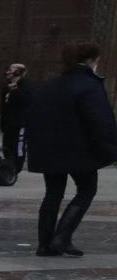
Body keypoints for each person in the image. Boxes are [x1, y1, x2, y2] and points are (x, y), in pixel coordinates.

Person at [26, 43, 117, 257]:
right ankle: (61, 237)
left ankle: (44, 244)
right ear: (91, 60)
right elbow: (100, 120)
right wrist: (109, 147)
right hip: (79, 150)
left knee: (53, 193)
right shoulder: (89, 85)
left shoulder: (50, 85)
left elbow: (33, 116)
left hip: (51, 150)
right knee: (86, 190)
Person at [0, 61, 30, 172]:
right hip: (8, 123)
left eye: (11, 70)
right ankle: (8, 165)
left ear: (18, 72)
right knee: (7, 145)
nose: (8, 72)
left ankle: (16, 167)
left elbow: (26, 102)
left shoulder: (26, 86)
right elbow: (4, 106)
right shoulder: (6, 87)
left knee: (18, 146)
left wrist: (16, 90)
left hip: (20, 123)